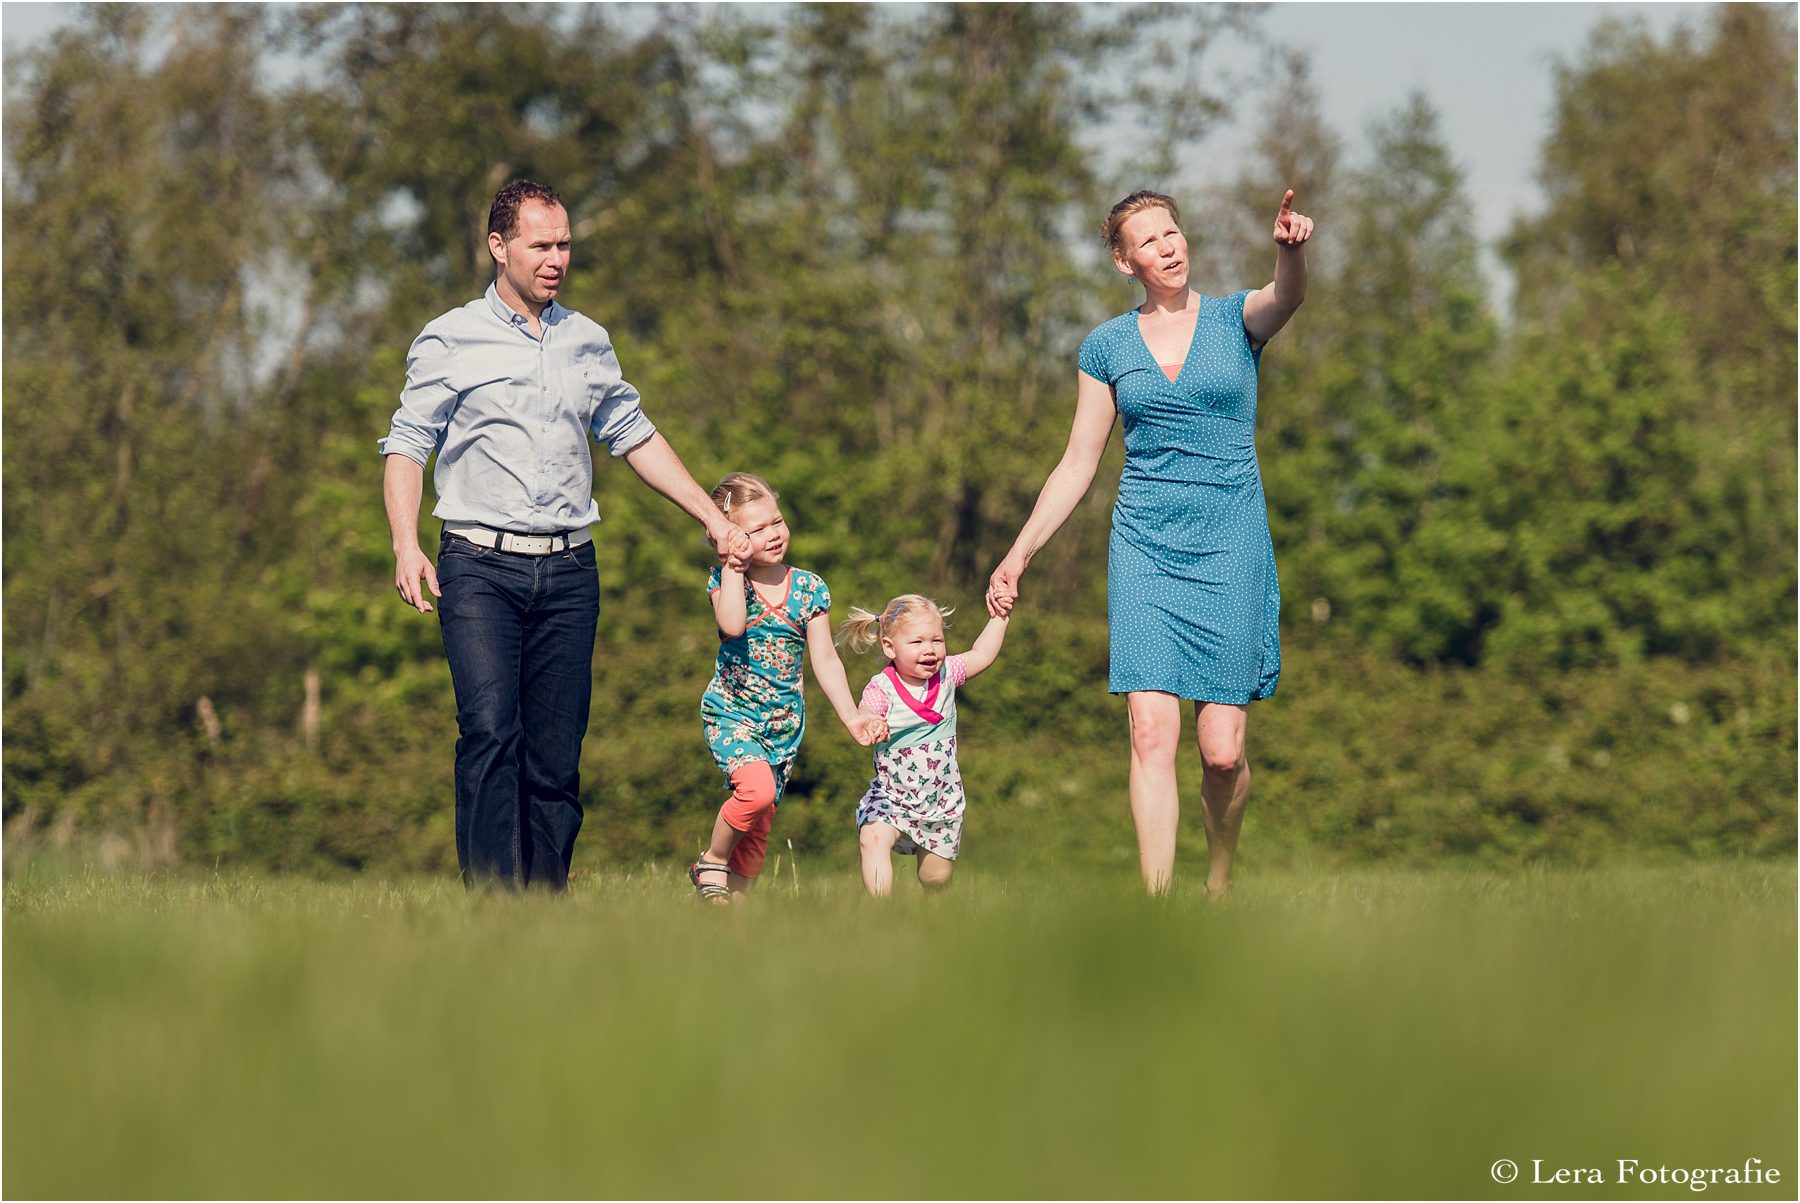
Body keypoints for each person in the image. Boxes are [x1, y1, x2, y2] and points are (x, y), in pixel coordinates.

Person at [380, 178, 750, 890]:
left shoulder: (587, 341)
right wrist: (405, 541)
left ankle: (544, 912)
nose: (556, 258)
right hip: (478, 566)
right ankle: (495, 907)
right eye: (540, 244)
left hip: (570, 571)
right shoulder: (450, 337)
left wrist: (712, 515)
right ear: (499, 246)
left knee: (555, 756)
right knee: (490, 730)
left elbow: (633, 434)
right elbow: (407, 444)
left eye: (565, 244)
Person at [986, 188, 1314, 897]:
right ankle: (1158, 908)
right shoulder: (1106, 347)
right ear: (1123, 260)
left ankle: (1218, 875)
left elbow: (1283, 300)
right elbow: (1078, 463)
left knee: (1222, 752)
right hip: (1145, 545)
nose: (1169, 245)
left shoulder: (1235, 321)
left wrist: (1290, 254)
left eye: (1174, 231)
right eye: (1150, 239)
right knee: (1149, 731)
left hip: (1230, 541)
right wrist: (1020, 553)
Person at [690, 472, 886, 904]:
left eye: (776, 521)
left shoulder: (810, 588)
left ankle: (728, 925)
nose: (773, 534)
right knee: (755, 792)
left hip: (782, 728)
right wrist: (732, 566)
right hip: (732, 715)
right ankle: (711, 861)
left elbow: (825, 659)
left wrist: (851, 714)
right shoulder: (726, 582)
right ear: (729, 537)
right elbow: (732, 625)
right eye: (756, 530)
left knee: (758, 831)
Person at [838, 595, 1009, 897]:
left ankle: (934, 914)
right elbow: (867, 709)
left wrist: (1000, 617)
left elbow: (981, 653)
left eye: (937, 640)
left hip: (941, 803)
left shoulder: (948, 675)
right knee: (872, 838)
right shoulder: (883, 687)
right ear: (890, 647)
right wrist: (870, 721)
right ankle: (880, 912)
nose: (929, 649)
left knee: (935, 878)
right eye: (917, 642)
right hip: (892, 798)